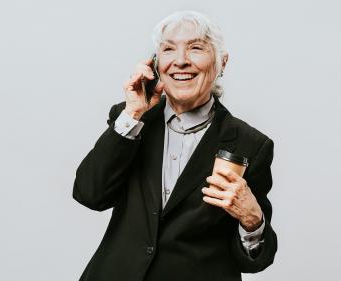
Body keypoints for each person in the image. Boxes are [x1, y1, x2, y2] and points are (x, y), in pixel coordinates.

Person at [72, 10, 277, 281]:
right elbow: (89, 194)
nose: (180, 61)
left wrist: (253, 221)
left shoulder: (251, 145)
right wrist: (133, 114)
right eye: (168, 49)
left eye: (196, 48)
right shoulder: (130, 118)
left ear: (222, 63)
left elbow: (254, 261)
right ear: (156, 64)